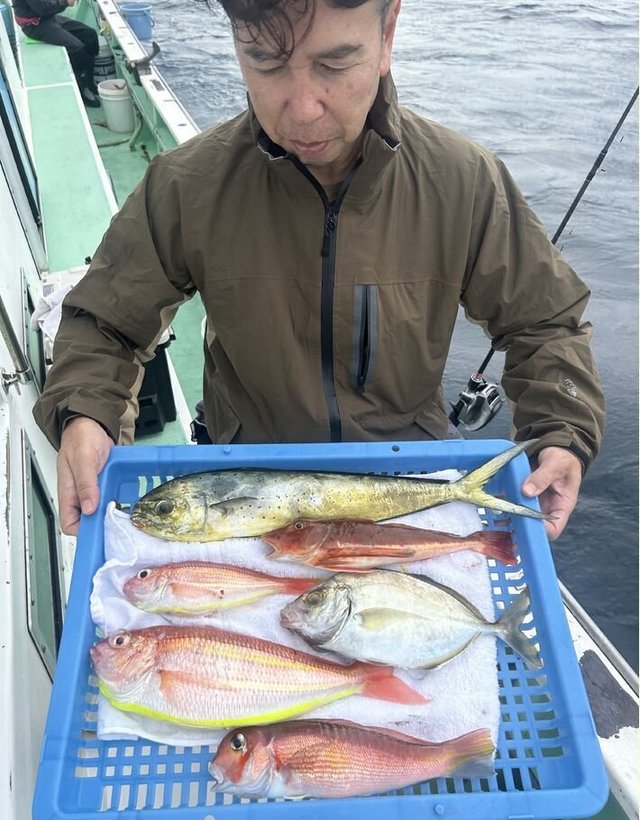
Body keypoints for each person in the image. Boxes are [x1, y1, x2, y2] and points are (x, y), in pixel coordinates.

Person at [33, 0, 605, 541]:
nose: (303, 108)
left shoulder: (464, 182)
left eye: (335, 63)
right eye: (266, 62)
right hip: (243, 483)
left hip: (408, 477)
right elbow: (106, 322)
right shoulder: (186, 186)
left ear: (387, 35)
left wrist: (560, 431)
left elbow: (545, 323)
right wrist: (87, 413)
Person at [13, 0, 100, 107]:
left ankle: (90, 82)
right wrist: (65, 2)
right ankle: (83, 88)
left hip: (49, 18)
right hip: (34, 25)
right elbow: (41, 8)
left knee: (90, 34)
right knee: (77, 48)